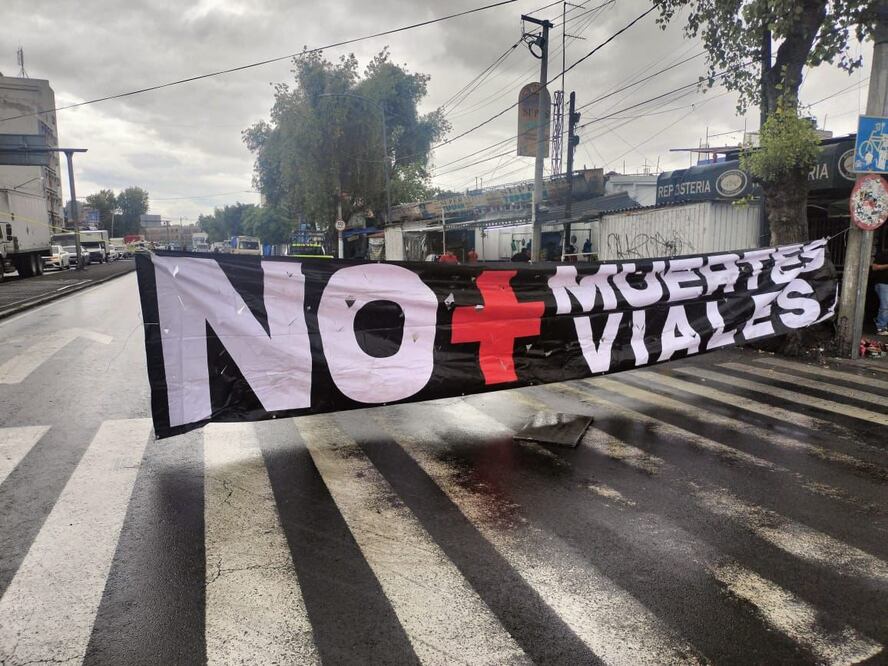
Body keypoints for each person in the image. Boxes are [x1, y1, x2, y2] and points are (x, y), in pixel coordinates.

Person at [874, 248, 888, 335]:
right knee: (885, 306)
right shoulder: (884, 254)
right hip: (883, 283)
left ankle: (884, 326)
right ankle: (881, 327)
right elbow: (874, 267)